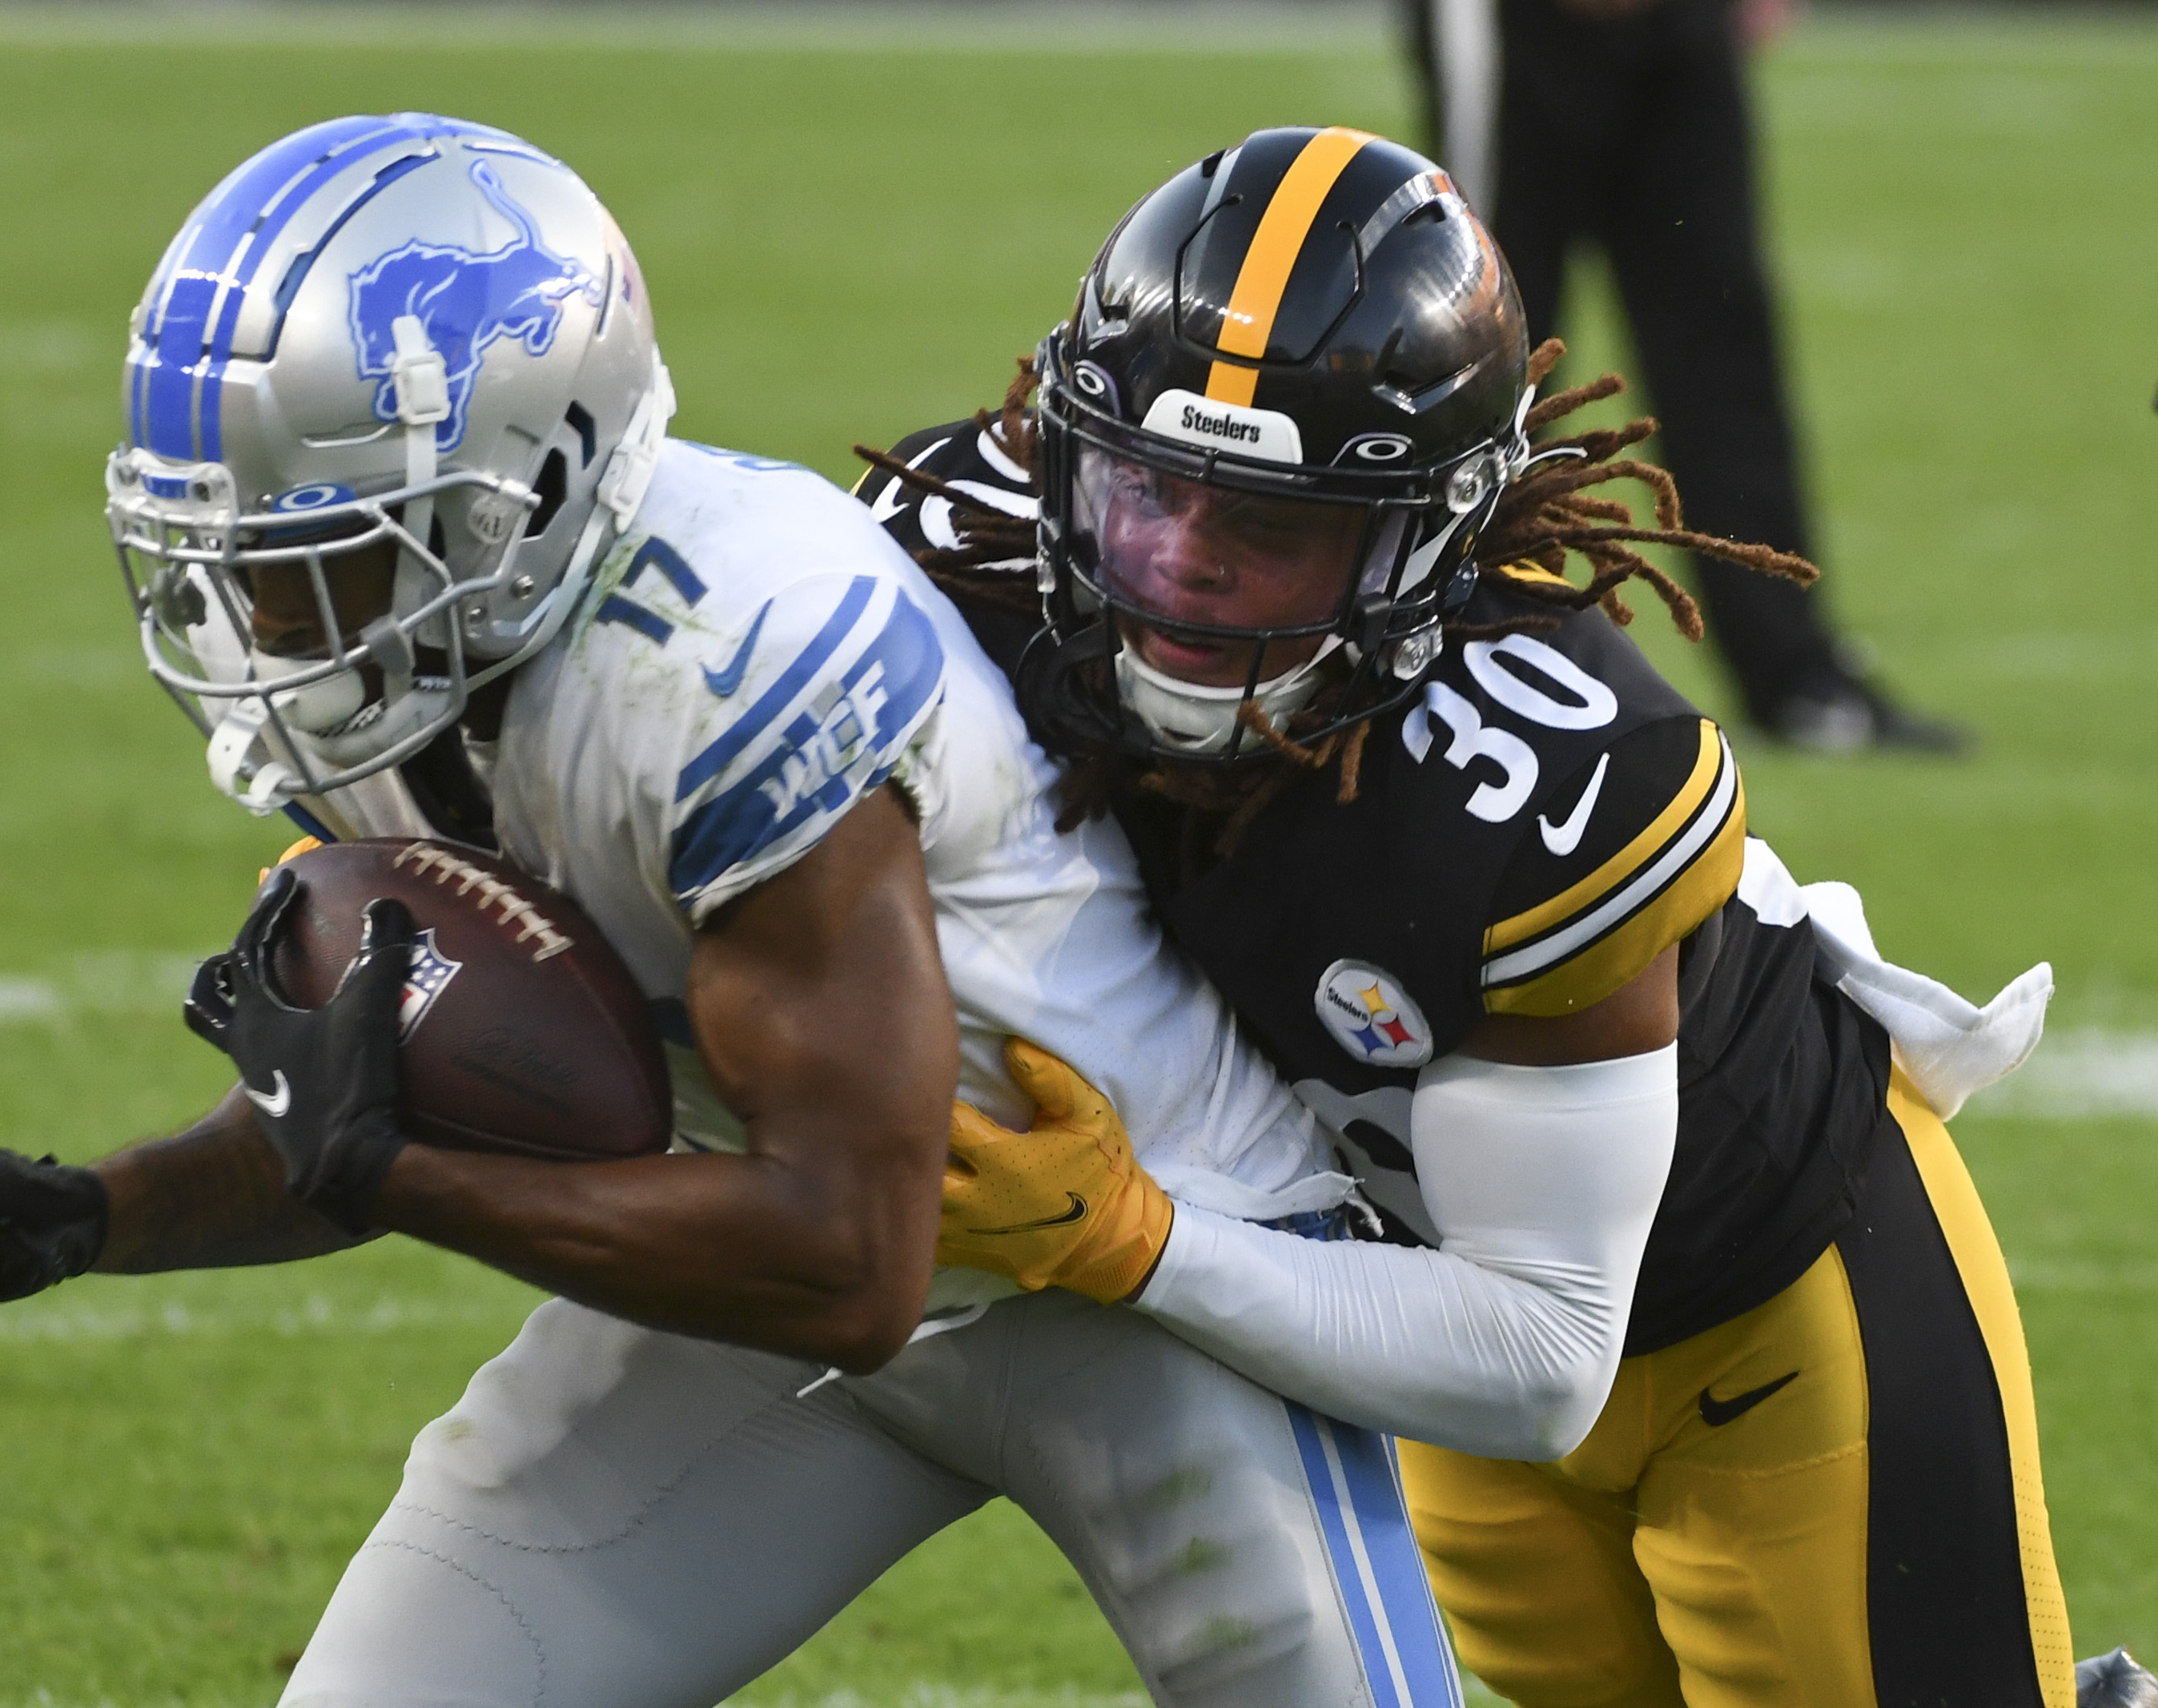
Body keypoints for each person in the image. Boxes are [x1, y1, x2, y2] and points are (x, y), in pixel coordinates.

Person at [0, 113, 1479, 1707]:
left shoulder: (723, 662)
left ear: (521, 500)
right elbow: (372, 1107)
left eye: (316, 547)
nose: (257, 611)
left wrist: (398, 1172)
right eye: (234, 549)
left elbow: (848, 1258)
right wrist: (86, 1212)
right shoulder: (398, 667)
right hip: (760, 1272)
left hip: (1132, 1280)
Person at [860, 123, 2091, 1707]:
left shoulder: (1535, 777)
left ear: (1421, 540)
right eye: (1144, 488)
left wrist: (1133, 1238)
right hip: (1402, 1300)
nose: (1172, 565)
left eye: (1266, 527)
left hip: (1765, 1307)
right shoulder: (963, 559)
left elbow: (1538, 1348)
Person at [1405, 0, 1967, 753]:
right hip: (1517, 24)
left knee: (1723, 341)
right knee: (1492, 350)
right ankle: (1442, 656)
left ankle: (1794, 674)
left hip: (1675, 19)